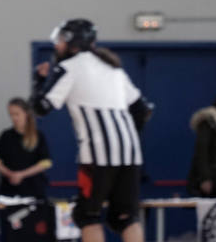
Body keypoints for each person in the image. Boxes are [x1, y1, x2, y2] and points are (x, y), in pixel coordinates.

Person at [31, 19, 150, 242]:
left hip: (98, 154)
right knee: (126, 217)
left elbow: (41, 107)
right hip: (130, 151)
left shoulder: (69, 68)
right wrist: (123, 137)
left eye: (62, 40)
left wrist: (39, 81)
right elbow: (142, 109)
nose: (57, 45)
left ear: (73, 43)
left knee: (87, 215)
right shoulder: (113, 68)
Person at [0, 98, 52, 240]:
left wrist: (22, 174)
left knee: (33, 232)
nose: (14, 118)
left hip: (33, 191)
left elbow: (45, 162)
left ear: (26, 114)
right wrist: (9, 173)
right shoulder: (6, 135)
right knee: (11, 232)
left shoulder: (38, 136)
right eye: (11, 114)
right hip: (9, 192)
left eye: (17, 114)